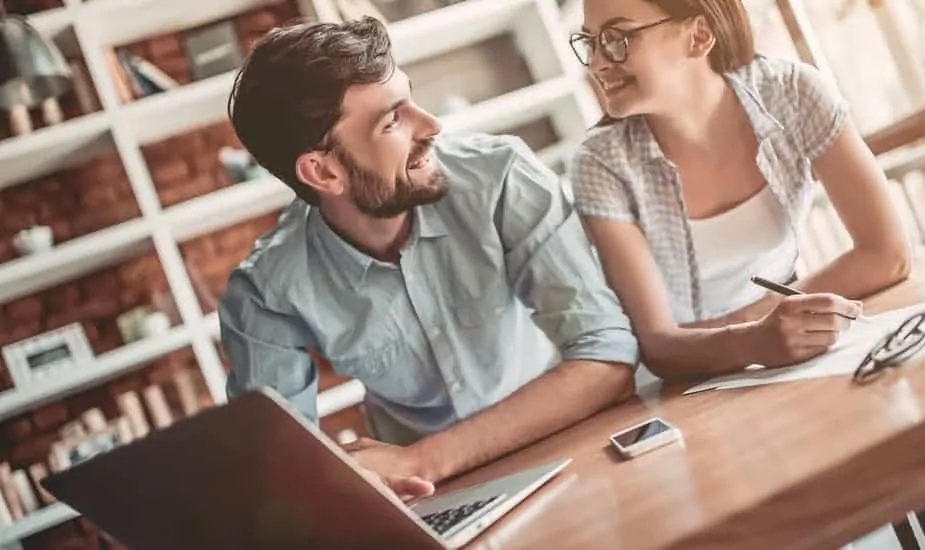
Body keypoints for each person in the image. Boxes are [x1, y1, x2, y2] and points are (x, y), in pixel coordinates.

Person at [218, 17, 640, 499]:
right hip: (424, 496)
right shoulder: (266, 291)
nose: (432, 125)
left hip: (566, 438)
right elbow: (283, 473)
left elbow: (606, 358)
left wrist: (423, 457)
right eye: (392, 120)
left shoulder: (502, 177)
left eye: (410, 99)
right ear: (323, 171)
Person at [567, 0, 912, 384]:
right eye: (590, 42)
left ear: (698, 37)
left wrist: (766, 325)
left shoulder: (793, 93)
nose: (596, 63)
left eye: (616, 39)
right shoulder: (600, 165)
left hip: (791, 350)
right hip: (686, 382)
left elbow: (888, 255)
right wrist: (753, 339)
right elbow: (659, 347)